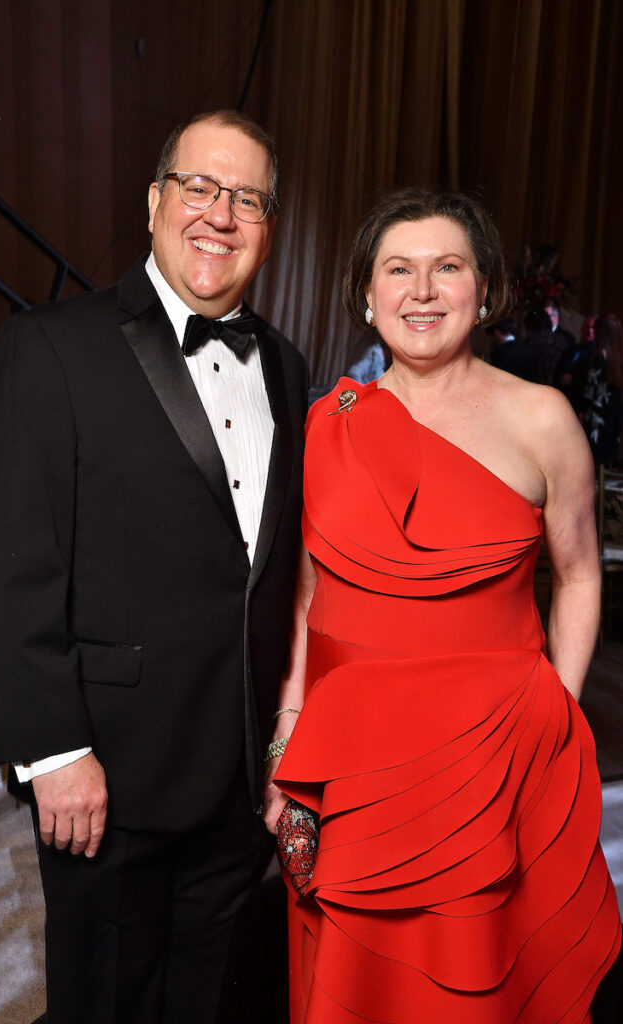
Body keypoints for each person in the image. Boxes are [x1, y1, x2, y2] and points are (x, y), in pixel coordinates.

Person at [0, 109, 309, 1024]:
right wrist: (55, 751)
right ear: (155, 201)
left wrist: (284, 745)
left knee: (205, 1001)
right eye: (199, 187)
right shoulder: (51, 346)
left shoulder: (284, 366)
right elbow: (7, 565)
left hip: (237, 784)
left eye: (247, 198)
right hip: (104, 774)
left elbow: (272, 578)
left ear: (269, 225)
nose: (219, 215)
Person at [263, 187, 621, 1022]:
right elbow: (305, 602)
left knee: (477, 986)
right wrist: (287, 738)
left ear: (484, 287)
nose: (421, 291)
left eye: (446, 268)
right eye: (398, 270)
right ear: (365, 293)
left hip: (497, 759)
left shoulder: (543, 420)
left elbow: (577, 574)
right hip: (352, 769)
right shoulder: (325, 427)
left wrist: (553, 712)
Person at [583, 314, 623, 466]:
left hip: (597, 416)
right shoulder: (617, 358)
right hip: (613, 413)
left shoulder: (598, 357)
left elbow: (590, 390)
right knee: (608, 456)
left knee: (595, 456)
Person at [557, 313, 596, 417]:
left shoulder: (596, 354)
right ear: (582, 327)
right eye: (588, 327)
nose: (590, 331)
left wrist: (573, 379)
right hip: (564, 400)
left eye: (593, 328)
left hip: (581, 403)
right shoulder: (570, 349)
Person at [487, 316, 536, 381]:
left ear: (497, 333)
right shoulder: (525, 348)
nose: (492, 340)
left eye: (491, 337)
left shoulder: (500, 352)